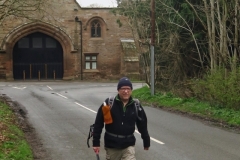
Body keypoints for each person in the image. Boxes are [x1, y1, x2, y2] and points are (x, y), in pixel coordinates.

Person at [92, 77, 150, 160]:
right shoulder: (109, 103)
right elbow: (98, 123)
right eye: (123, 89)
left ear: (131, 90)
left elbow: (142, 124)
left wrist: (146, 141)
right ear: (118, 90)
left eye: (128, 89)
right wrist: (96, 143)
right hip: (112, 145)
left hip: (128, 145)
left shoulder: (136, 105)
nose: (125, 91)